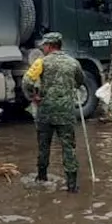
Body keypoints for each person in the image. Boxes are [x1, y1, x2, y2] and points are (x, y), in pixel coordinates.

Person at [21, 32, 83, 193]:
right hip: (66, 113)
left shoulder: (41, 62)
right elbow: (80, 82)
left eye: (44, 46)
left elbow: (26, 81)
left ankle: (42, 178)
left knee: (44, 147)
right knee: (68, 147)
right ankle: (72, 186)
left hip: (46, 112)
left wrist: (33, 96)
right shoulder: (73, 62)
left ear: (50, 46)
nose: (43, 49)